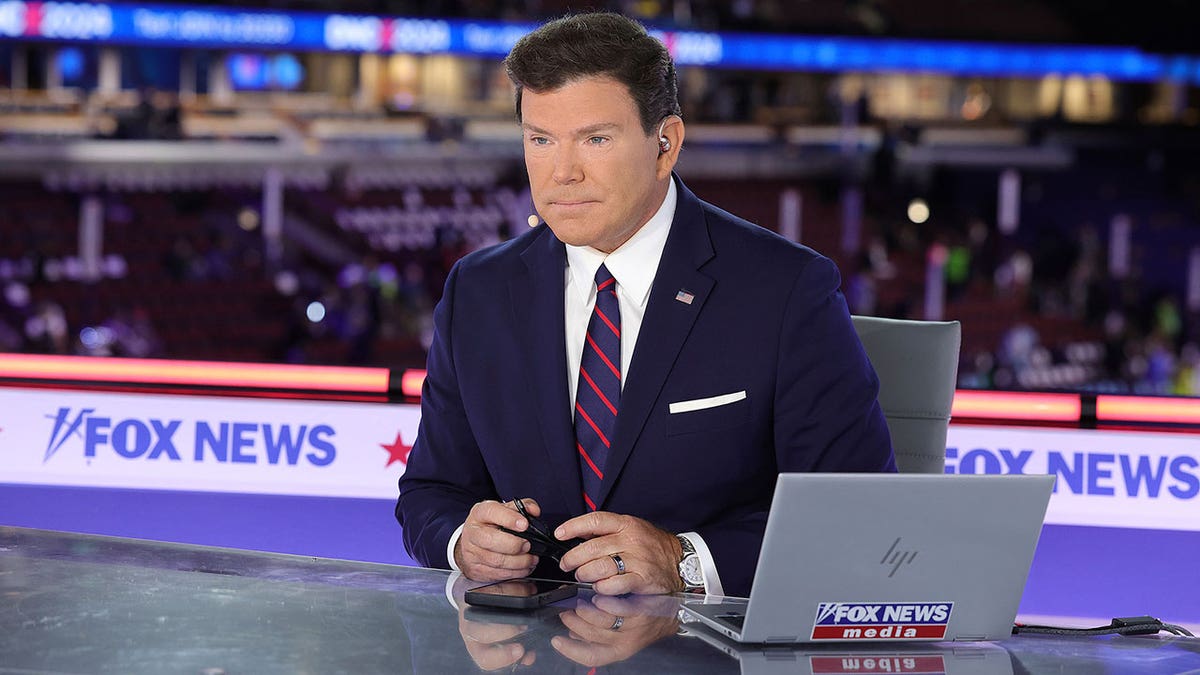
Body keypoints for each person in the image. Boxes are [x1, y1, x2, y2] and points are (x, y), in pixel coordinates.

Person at [395, 12, 895, 599]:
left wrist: (684, 562)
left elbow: (856, 514)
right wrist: (463, 540)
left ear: (666, 145)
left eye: (595, 139)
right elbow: (430, 492)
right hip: (529, 642)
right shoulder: (477, 291)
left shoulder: (787, 289)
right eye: (541, 140)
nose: (563, 173)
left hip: (705, 642)